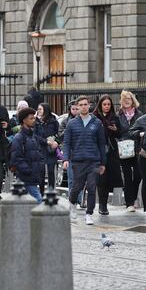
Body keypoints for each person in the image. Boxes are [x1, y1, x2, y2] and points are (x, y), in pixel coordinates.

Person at [63, 96, 107, 225]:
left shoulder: (96, 123)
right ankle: (72, 203)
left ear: (89, 106)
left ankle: (89, 213)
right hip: (77, 161)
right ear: (77, 107)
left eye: (85, 104)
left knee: (92, 188)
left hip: (93, 161)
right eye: (80, 105)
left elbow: (101, 144)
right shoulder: (72, 123)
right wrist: (66, 158)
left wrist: (103, 163)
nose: (83, 107)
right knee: (77, 187)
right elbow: (67, 143)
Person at [11, 107, 58, 203]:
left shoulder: (33, 136)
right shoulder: (19, 138)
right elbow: (17, 157)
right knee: (39, 203)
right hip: (26, 178)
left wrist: (39, 166)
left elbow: (38, 153)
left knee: (28, 206)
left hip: (33, 177)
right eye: (31, 118)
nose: (34, 121)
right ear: (24, 120)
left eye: (34, 118)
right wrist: (29, 170)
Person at [93, 94, 125, 215]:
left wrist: (115, 130)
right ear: (100, 105)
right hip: (98, 151)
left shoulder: (114, 117)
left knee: (108, 179)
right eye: (104, 104)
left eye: (108, 104)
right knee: (101, 179)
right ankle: (102, 205)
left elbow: (120, 133)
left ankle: (104, 205)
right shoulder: (95, 117)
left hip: (110, 152)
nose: (106, 107)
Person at [117, 90, 143, 212]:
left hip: (137, 149)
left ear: (133, 100)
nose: (127, 101)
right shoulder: (118, 115)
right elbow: (116, 132)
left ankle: (132, 196)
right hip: (124, 149)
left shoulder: (139, 115)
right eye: (124, 99)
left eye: (129, 98)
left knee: (138, 174)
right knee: (127, 177)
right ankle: (129, 203)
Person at [35, 102, 60, 191]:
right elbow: (35, 136)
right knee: (41, 172)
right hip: (40, 149)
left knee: (50, 171)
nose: (38, 111)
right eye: (38, 109)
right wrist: (46, 141)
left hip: (51, 150)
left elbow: (59, 134)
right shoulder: (36, 122)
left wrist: (56, 142)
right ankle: (41, 192)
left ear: (45, 110)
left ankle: (51, 191)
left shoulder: (53, 122)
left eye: (40, 109)